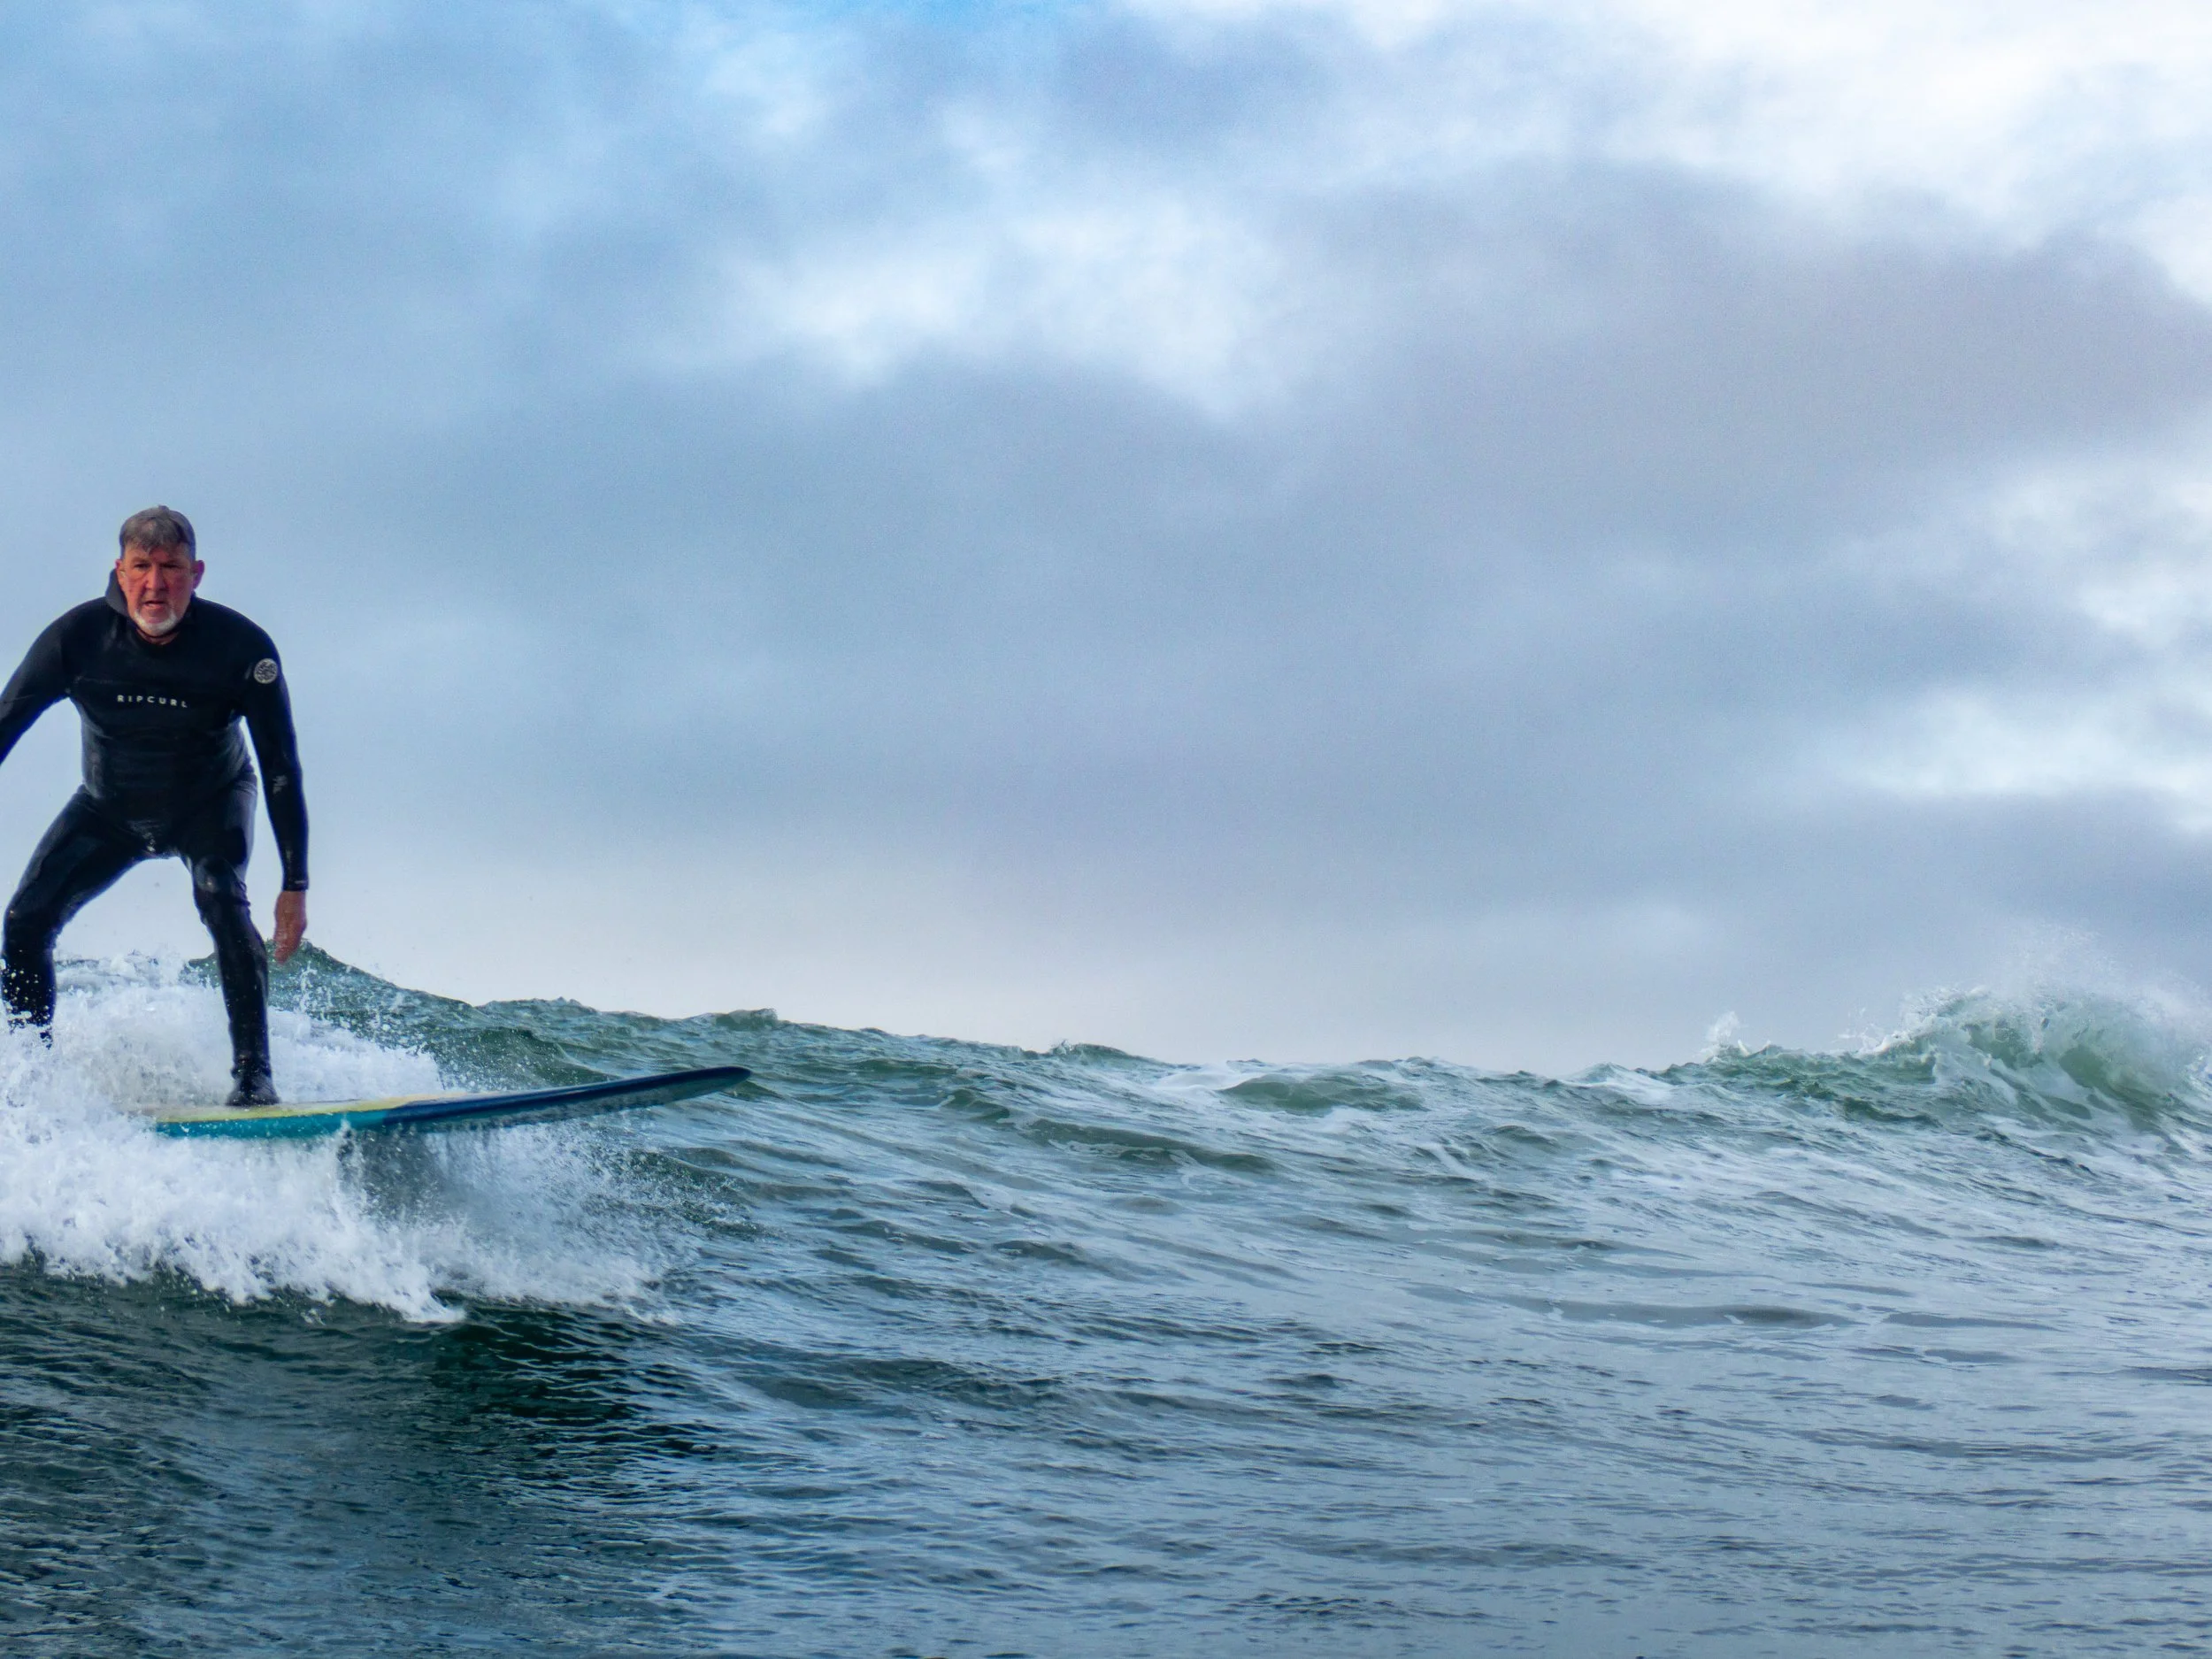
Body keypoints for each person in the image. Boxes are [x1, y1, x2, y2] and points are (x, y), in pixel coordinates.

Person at [0, 506, 308, 1104]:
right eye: (141, 566)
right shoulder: (77, 639)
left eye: (170, 567)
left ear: (196, 573)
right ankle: (26, 1078)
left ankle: (254, 1076)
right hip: (106, 812)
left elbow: (280, 767)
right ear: (119, 570)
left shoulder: (241, 648)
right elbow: (6, 721)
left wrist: (295, 880)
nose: (154, 583)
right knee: (22, 922)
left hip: (211, 805)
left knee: (220, 893)